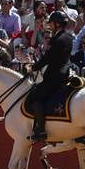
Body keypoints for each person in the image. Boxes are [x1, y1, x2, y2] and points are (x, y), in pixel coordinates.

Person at [26, 11, 74, 141]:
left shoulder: (57, 40)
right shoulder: (68, 37)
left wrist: (33, 68)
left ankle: (41, 129)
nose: (50, 25)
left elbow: (47, 58)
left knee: (34, 97)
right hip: (64, 73)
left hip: (54, 76)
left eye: (51, 23)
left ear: (57, 24)